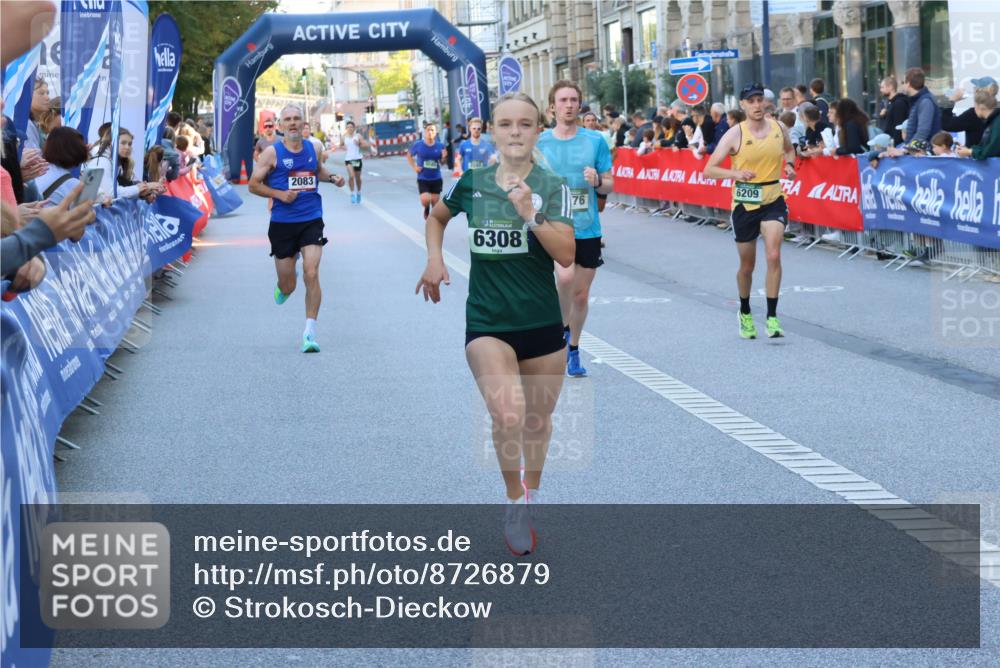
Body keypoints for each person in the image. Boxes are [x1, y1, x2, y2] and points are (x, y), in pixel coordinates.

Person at [415, 91, 575, 556]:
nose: (515, 133)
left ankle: (532, 495)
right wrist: (433, 258)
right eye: (506, 125)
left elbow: (566, 255)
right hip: (487, 322)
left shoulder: (553, 184)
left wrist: (531, 212)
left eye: (525, 124)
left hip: (542, 323)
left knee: (538, 421)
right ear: (491, 131)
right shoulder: (474, 181)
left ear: (537, 130)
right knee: (507, 414)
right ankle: (513, 502)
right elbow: (437, 218)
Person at [248, 104, 346, 353]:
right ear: (280, 126)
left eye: (297, 119)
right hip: (282, 223)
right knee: (288, 285)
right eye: (287, 119)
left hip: (311, 218)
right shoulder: (272, 153)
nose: (292, 123)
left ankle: (309, 333)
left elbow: (317, 171)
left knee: (311, 272)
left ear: (303, 123)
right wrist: (279, 194)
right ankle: (283, 287)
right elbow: (253, 185)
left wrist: (332, 178)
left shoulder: (313, 148)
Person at [704, 82, 796, 339]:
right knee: (747, 266)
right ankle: (744, 311)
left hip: (773, 198)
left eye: (760, 100)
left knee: (774, 254)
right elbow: (709, 169)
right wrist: (735, 173)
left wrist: (789, 165)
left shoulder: (778, 127)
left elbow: (789, 150)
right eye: (751, 101)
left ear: (765, 103)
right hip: (745, 203)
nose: (757, 105)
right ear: (743, 105)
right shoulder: (735, 134)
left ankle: (772, 317)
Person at [538, 80, 614, 377]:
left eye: (574, 100)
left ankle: (573, 346)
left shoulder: (594, 141)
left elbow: (610, 183)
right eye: (563, 100)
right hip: (551, 226)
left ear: (579, 105)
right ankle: (559, 333)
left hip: (586, 227)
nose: (569, 105)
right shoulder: (541, 142)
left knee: (580, 295)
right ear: (552, 107)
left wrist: (597, 180)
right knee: (565, 279)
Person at [407, 122, 447, 220]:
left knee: (435, 203)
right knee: (425, 200)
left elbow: (442, 163)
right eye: (428, 130)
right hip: (423, 177)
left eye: (432, 130)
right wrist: (415, 167)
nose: (430, 132)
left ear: (436, 132)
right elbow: (409, 155)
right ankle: (426, 207)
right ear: (425, 132)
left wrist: (444, 157)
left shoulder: (440, 146)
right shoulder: (418, 145)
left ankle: (432, 221)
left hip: (436, 177)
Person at [902, 67, 942, 146]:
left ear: (908, 84)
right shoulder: (920, 100)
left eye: (903, 82)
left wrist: (907, 149)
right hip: (918, 152)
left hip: (923, 154)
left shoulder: (925, 101)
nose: (902, 85)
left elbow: (923, 132)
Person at [956, 89, 1000, 159]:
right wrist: (969, 150)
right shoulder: (993, 120)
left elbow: (991, 151)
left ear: (980, 106)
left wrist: (970, 152)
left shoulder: (997, 122)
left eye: (974, 106)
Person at [340, 121, 369, 204]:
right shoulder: (343, 137)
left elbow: (366, 145)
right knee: (351, 176)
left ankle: (359, 193)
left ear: (354, 128)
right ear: (346, 129)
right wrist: (343, 147)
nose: (349, 128)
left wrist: (359, 144)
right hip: (349, 159)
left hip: (357, 159)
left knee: (358, 178)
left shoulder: (358, 136)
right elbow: (341, 144)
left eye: (351, 127)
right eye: (348, 127)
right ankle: (352, 194)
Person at [877, 76, 910, 145]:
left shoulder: (899, 103)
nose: (881, 90)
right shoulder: (891, 103)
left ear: (890, 87)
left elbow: (898, 125)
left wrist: (894, 144)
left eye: (882, 87)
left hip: (897, 144)